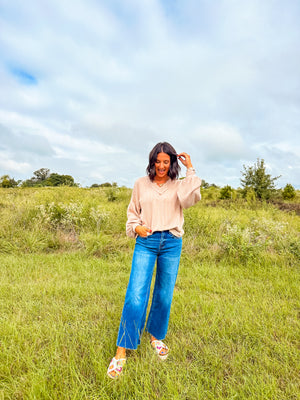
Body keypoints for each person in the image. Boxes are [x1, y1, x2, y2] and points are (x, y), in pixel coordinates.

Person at [107, 142, 201, 379]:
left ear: (172, 163)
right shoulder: (140, 184)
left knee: (164, 294)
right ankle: (122, 349)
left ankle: (156, 337)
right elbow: (132, 212)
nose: (161, 166)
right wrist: (136, 227)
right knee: (136, 294)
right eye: (157, 161)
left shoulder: (179, 186)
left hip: (171, 242)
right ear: (152, 162)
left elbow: (191, 200)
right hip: (146, 242)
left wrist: (190, 168)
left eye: (166, 162)